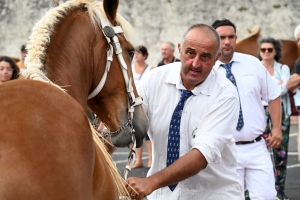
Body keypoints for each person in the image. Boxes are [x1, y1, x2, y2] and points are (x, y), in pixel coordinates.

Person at [125, 23, 243, 200]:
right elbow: (129, 123)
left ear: (217, 57)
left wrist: (150, 182)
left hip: (213, 195)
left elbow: (202, 155)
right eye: (190, 53)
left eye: (205, 57)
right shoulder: (154, 80)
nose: (195, 63)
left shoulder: (225, 93)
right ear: (180, 49)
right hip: (162, 195)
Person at [211, 19, 282, 200]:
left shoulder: (253, 64)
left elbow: (273, 95)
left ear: (236, 38)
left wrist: (276, 128)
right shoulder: (206, 71)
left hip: (257, 147)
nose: (227, 41)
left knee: (266, 196)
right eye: (222, 37)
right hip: (225, 151)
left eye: (231, 37)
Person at [258, 37, 291, 200]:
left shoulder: (283, 68)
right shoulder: (256, 68)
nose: (265, 52)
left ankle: (280, 191)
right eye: (263, 49)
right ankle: (262, 191)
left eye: (269, 49)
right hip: (259, 114)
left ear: (275, 51)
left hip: (281, 114)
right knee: (259, 152)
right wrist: (278, 87)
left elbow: (284, 90)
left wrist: (270, 90)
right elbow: (278, 89)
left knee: (280, 153)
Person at [131, 45, 154, 168]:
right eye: (135, 53)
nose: (136, 55)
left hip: (147, 103)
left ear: (145, 55)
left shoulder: (152, 69)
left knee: (148, 133)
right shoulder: (131, 68)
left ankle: (151, 159)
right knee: (137, 133)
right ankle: (138, 160)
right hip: (134, 104)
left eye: (138, 53)